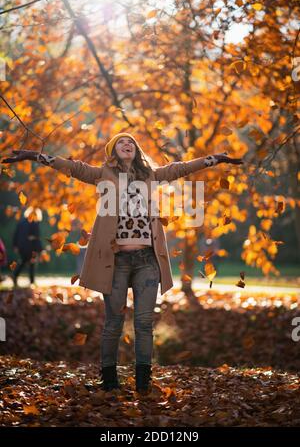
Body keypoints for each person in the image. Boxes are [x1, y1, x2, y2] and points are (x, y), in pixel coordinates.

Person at [2, 134, 243, 394]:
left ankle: (143, 382)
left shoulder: (151, 175)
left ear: (136, 149)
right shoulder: (103, 173)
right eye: (121, 142)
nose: (127, 144)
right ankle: (109, 380)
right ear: (113, 151)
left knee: (143, 324)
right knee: (113, 323)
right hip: (115, 261)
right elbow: (71, 166)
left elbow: (181, 168)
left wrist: (214, 159)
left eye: (131, 142)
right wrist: (33, 155)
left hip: (147, 261)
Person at [12, 207, 43, 288]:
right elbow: (36, 237)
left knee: (24, 262)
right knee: (30, 263)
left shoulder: (21, 222)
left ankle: (16, 276)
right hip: (31, 247)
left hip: (22, 247)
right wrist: (40, 249)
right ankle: (30, 281)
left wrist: (15, 245)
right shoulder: (34, 223)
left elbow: (15, 234)